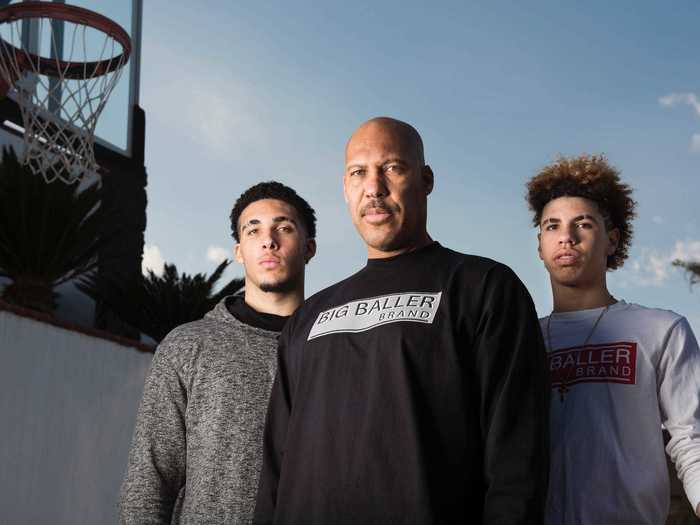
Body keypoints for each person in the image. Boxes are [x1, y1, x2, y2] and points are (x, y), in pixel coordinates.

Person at [254, 117, 549, 524]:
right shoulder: (308, 316)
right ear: (345, 188)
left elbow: (517, 460)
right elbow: (275, 467)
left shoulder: (484, 288)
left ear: (426, 180)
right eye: (358, 173)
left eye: (392, 168)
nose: (373, 188)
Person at [119, 181, 317, 524]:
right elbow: (149, 481)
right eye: (253, 231)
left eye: (283, 228)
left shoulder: (335, 347)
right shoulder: (188, 346)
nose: (268, 240)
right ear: (239, 251)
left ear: (309, 248)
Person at [526, 154, 700, 524]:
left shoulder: (661, 329)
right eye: (552, 226)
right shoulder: (520, 339)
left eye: (583, 224)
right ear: (540, 246)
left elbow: (691, 438)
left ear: (612, 240)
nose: (566, 238)